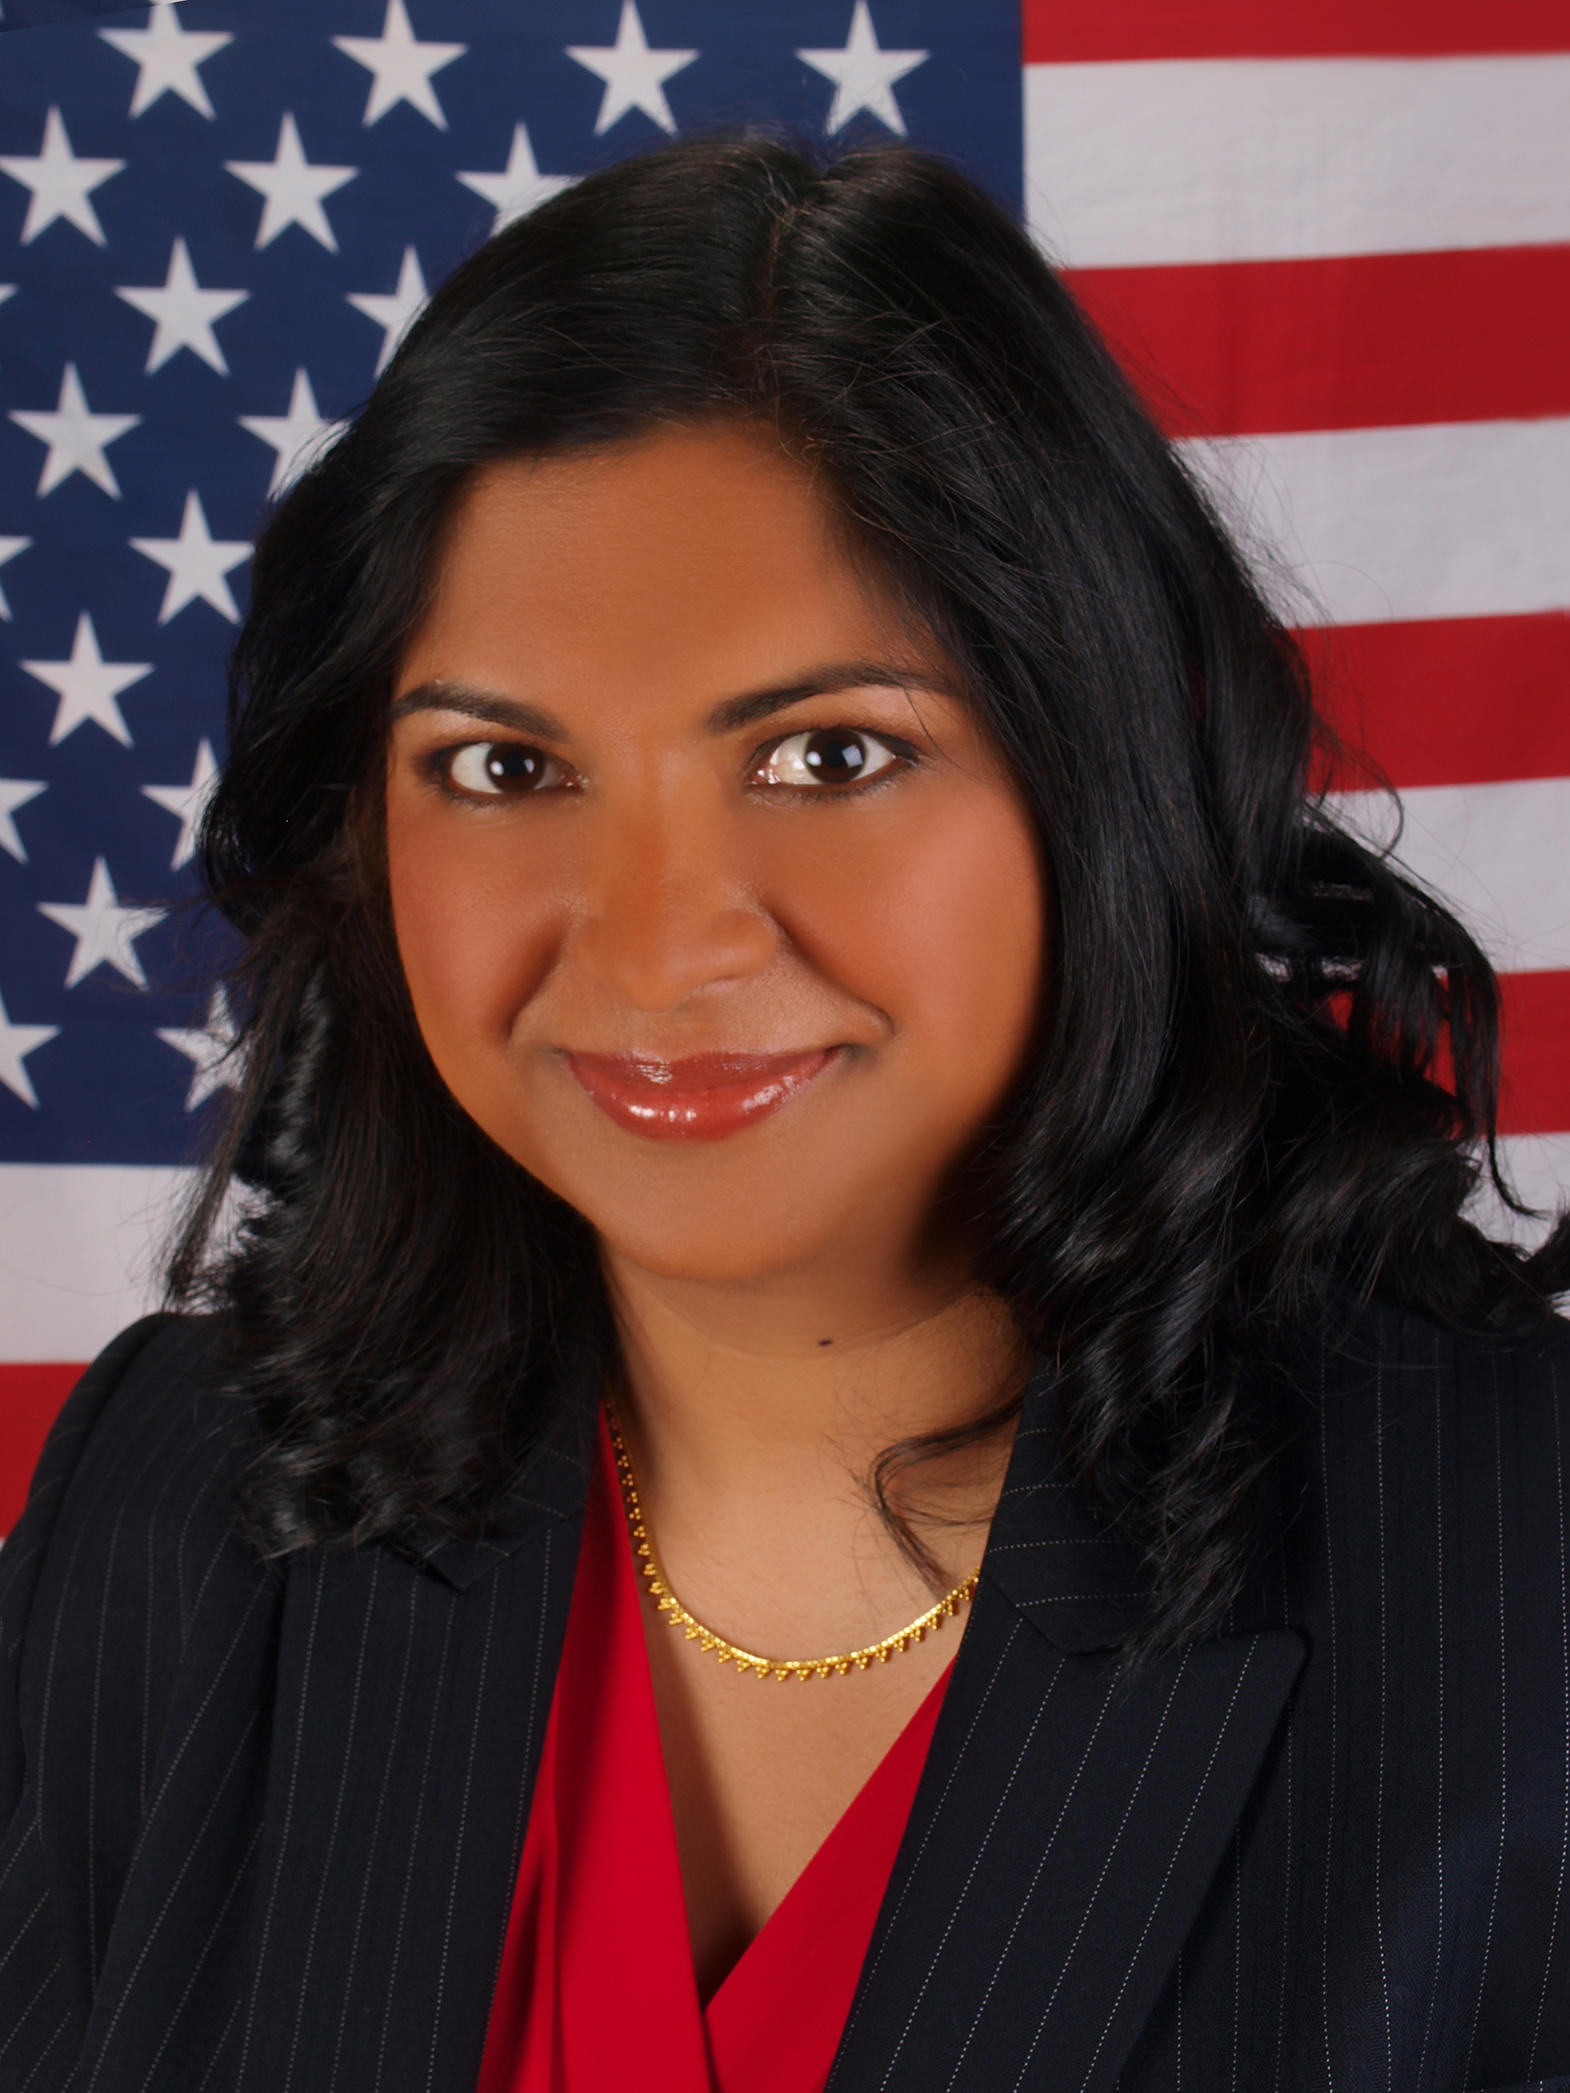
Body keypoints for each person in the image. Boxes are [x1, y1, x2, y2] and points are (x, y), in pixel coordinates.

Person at [1, 132, 1566, 2093]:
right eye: (500, 766)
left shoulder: (1519, 1584)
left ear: (1105, 774)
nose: (656, 949)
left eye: (827, 752)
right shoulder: (172, 1505)